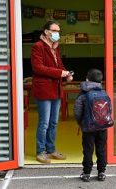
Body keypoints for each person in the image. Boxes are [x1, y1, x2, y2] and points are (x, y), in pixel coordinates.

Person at [31, 20, 73, 164]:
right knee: (44, 123)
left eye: (58, 31)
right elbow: (38, 68)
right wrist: (60, 73)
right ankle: (40, 151)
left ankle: (51, 149)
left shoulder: (55, 47)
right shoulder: (38, 47)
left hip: (56, 89)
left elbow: (59, 65)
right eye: (54, 31)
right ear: (46, 32)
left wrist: (67, 74)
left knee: (53, 122)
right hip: (44, 90)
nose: (57, 34)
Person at [74, 69, 112, 182]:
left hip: (88, 128)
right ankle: (101, 172)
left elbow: (77, 111)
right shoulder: (104, 93)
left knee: (88, 150)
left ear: (87, 79)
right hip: (102, 127)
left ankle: (86, 173)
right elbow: (109, 110)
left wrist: (80, 122)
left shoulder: (83, 94)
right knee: (101, 149)